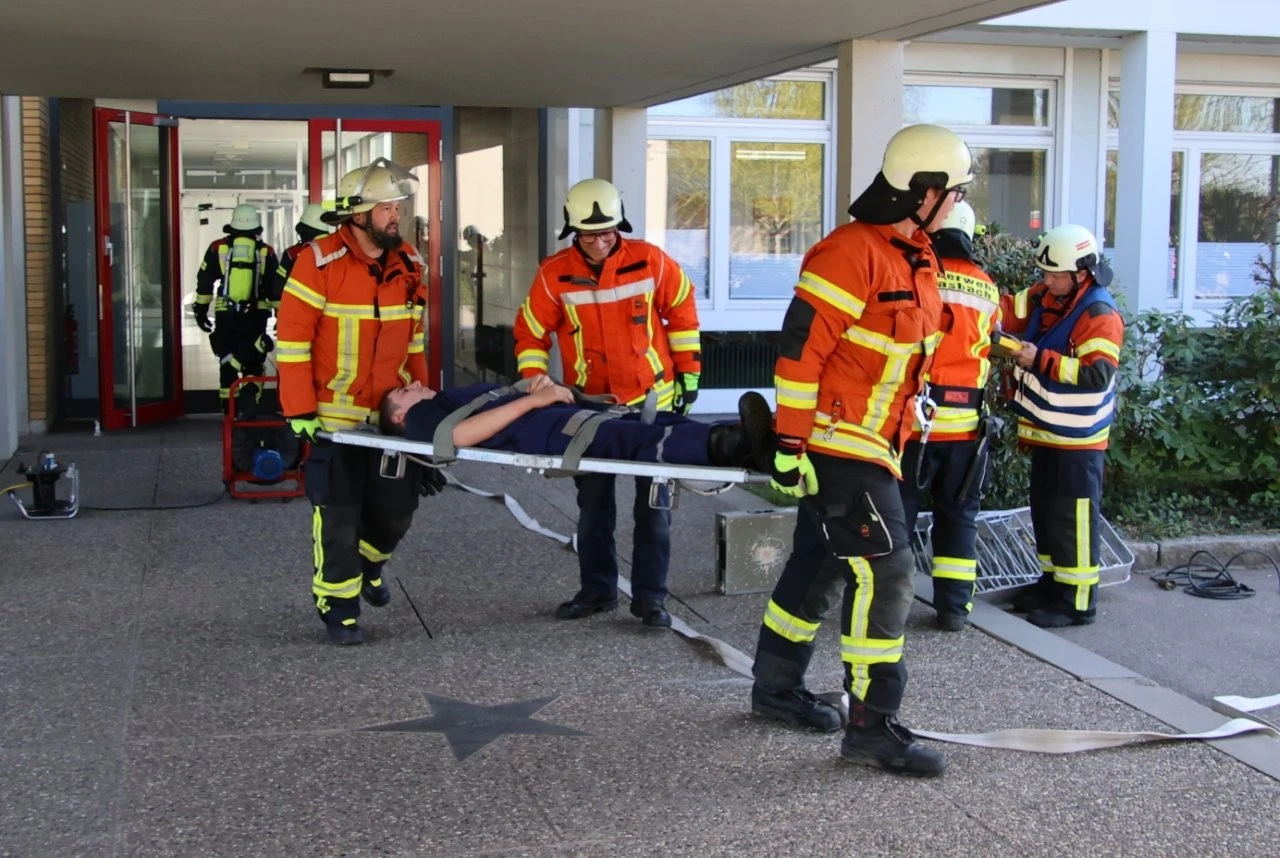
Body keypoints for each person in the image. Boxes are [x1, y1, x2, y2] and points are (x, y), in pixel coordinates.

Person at [749, 123, 973, 778]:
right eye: (954, 192)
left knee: (820, 562)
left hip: (877, 445)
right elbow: (799, 356)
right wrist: (789, 444)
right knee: (888, 571)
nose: (957, 203)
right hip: (837, 441)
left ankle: (775, 689)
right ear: (925, 191)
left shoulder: (917, 256)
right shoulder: (850, 253)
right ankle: (871, 728)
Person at [513, 178, 702, 629]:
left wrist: (690, 373)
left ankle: (651, 600)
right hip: (591, 407)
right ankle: (598, 591)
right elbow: (530, 333)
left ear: (620, 225)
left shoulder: (651, 260)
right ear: (572, 231)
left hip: (652, 403)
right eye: (588, 236)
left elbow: (682, 312)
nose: (599, 243)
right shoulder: (553, 274)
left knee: (653, 509)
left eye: (607, 233)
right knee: (594, 507)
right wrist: (536, 383)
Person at [276, 158, 445, 647]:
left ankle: (371, 566)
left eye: (398, 206)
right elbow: (292, 343)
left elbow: (414, 344)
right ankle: (340, 608)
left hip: (390, 422)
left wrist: (425, 415)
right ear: (358, 214)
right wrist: (299, 411)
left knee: (397, 510)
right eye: (386, 207)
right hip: (334, 421)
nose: (396, 215)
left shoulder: (409, 264)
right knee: (339, 516)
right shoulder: (318, 262)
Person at [999, 224, 1124, 628]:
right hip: (1048, 432)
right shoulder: (1048, 293)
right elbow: (1004, 310)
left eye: (1054, 275)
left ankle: (1078, 601)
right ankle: (1053, 584)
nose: (1045, 282)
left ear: (1081, 274)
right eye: (1044, 274)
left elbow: (1097, 374)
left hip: (1079, 439)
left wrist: (1038, 359)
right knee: (1047, 512)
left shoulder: (1099, 314)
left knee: (1074, 519)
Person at [899, 200, 1001, 631]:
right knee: (958, 518)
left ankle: (889, 605)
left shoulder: (916, 274)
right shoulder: (988, 287)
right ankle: (954, 610)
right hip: (966, 430)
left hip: (915, 426)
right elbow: (992, 341)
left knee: (898, 517)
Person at [377, 378, 773, 472]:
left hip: (567, 418)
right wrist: (534, 399)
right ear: (398, 415)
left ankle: (757, 439)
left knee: (662, 423)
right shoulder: (421, 416)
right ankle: (741, 447)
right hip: (554, 431)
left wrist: (536, 387)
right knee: (645, 440)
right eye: (404, 390)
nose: (415, 383)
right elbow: (457, 437)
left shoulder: (445, 399)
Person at [192, 203, 279, 410]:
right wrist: (281, 315)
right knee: (253, 359)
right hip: (256, 313)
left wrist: (200, 311)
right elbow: (276, 288)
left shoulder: (217, 248)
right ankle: (250, 396)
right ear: (256, 227)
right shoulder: (266, 252)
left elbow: (204, 282)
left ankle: (228, 407)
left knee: (227, 358)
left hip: (226, 313)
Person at [266, 203, 331, 306]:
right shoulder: (339, 251)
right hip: (331, 313)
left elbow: (276, 291)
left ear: (302, 229)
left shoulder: (292, 253)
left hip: (299, 311)